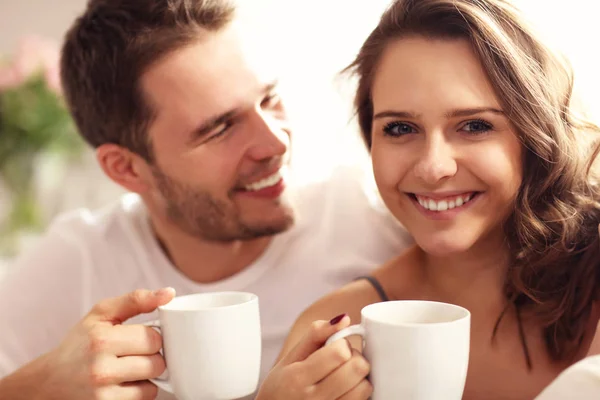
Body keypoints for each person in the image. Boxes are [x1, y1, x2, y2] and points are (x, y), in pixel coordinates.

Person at [0, 0, 412, 399]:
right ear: (126, 169)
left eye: (268, 99)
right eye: (220, 128)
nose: (275, 143)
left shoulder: (371, 217)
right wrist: (35, 388)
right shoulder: (81, 261)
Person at [256, 0, 600, 399]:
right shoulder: (332, 334)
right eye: (400, 128)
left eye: (474, 125)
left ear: (535, 137)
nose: (433, 167)